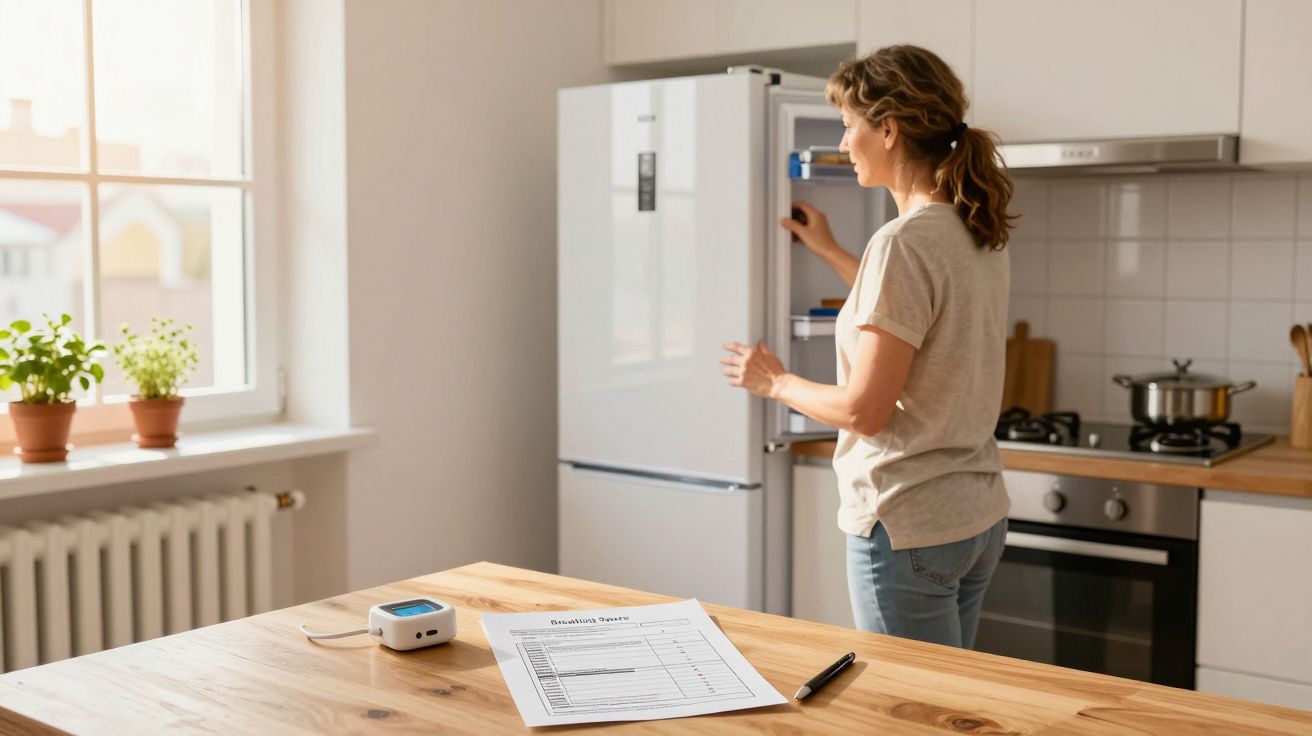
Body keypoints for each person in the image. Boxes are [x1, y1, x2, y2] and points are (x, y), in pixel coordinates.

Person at [720, 45, 1015, 649]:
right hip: (975, 518)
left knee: (907, 710)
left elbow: (864, 411)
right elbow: (915, 318)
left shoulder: (903, 243)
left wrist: (773, 382)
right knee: (947, 706)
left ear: (888, 128)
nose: (844, 141)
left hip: (906, 522)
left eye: (849, 125)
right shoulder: (974, 226)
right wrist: (829, 250)